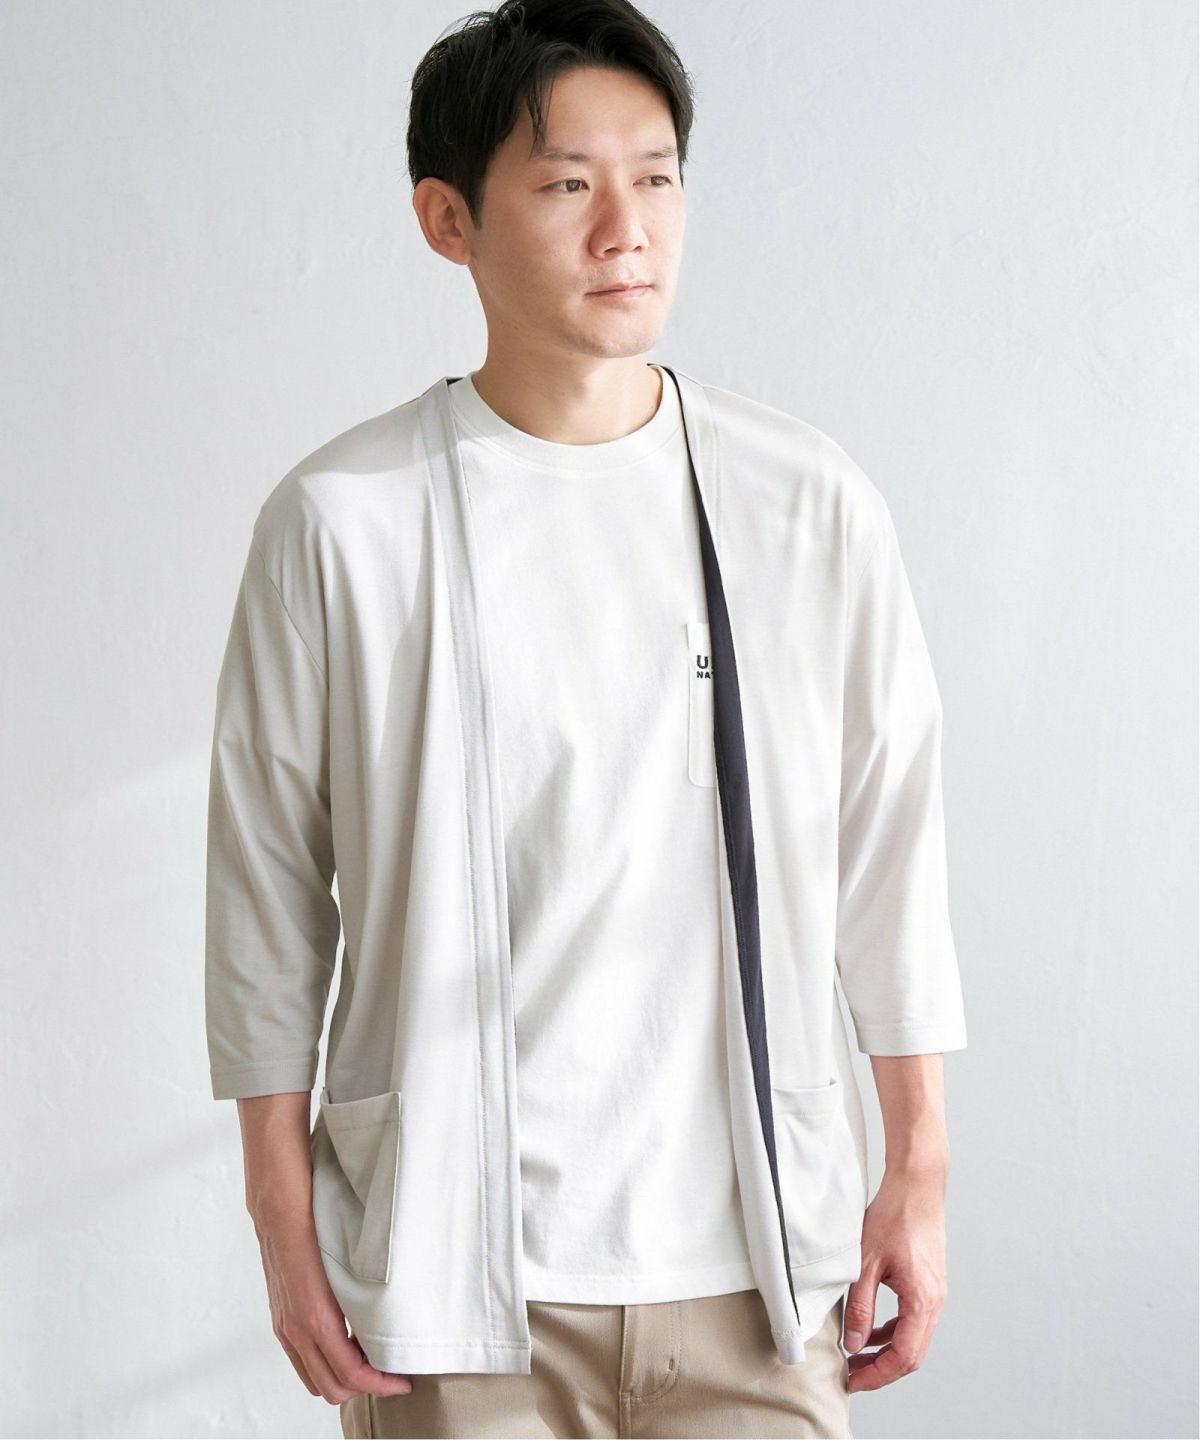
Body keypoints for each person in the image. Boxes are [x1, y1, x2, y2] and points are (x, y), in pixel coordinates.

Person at [204, 2, 969, 1436]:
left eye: (657, 177)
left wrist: (916, 1166)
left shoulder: (803, 503)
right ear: (449, 218)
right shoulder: (344, 523)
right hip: (454, 1285)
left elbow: (890, 852)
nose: (629, 230)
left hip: (761, 1276)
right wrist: (279, 1217)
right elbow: (266, 898)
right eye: (568, 185)